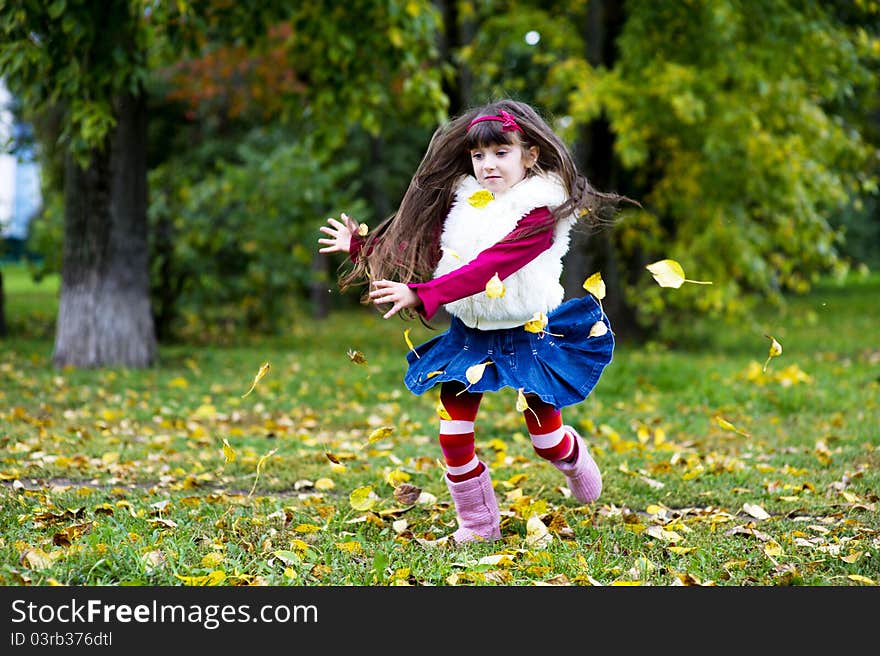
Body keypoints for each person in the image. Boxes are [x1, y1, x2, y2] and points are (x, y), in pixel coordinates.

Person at [318, 99, 626, 545]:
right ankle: (479, 526)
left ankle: (574, 459)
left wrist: (423, 295)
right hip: (469, 338)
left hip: (527, 336)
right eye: (479, 156)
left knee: (545, 439)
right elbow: (426, 252)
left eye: (501, 153)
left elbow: (489, 268)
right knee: (453, 434)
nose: (488, 165)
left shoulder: (540, 213)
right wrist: (361, 249)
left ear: (529, 155)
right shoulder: (464, 202)